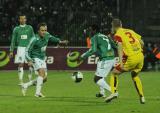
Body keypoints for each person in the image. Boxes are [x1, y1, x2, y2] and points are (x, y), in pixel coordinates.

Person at [21, 22, 68, 97]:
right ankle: (37, 93)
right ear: (38, 31)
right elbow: (27, 51)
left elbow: (53, 38)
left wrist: (61, 42)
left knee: (44, 78)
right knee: (41, 73)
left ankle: (25, 85)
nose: (44, 32)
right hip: (34, 57)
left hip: (42, 58)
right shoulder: (34, 39)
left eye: (45, 30)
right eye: (42, 30)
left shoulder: (47, 35)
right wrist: (29, 60)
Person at [105, 18, 145, 104]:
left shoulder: (118, 34)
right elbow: (142, 43)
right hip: (140, 56)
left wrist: (121, 62)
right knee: (134, 75)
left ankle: (114, 92)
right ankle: (142, 97)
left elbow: (119, 48)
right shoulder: (130, 31)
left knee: (114, 73)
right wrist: (138, 50)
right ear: (121, 25)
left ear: (113, 26)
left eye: (111, 26)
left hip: (131, 58)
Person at [78, 24, 116, 97]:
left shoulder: (94, 37)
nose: (89, 32)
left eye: (90, 30)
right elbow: (115, 46)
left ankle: (113, 91)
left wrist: (82, 57)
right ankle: (102, 92)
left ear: (94, 30)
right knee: (100, 75)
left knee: (97, 79)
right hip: (110, 58)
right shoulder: (106, 36)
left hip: (105, 59)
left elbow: (93, 50)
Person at [9, 14, 35, 85]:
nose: (23, 20)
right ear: (19, 20)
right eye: (21, 19)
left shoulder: (30, 28)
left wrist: (34, 47)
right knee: (21, 64)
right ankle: (21, 81)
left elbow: (33, 38)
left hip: (29, 49)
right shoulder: (16, 29)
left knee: (30, 64)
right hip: (20, 48)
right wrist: (11, 51)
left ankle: (30, 79)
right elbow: (13, 40)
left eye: (24, 19)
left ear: (26, 19)